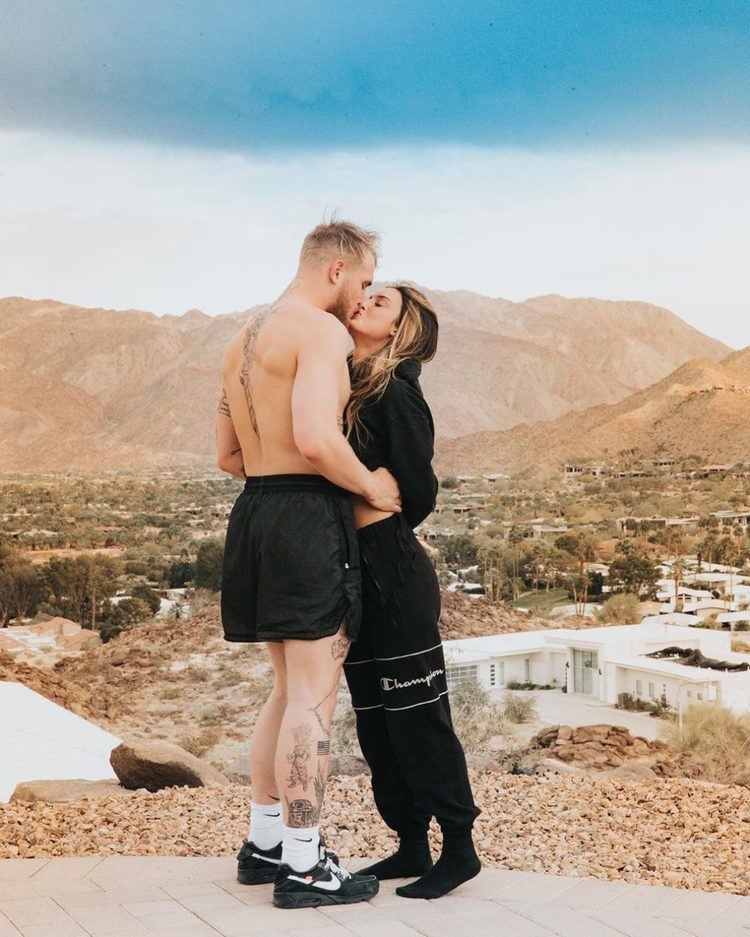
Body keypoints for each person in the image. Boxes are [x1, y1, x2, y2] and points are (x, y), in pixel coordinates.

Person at [215, 219, 402, 909]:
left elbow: (227, 457)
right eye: (364, 278)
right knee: (314, 696)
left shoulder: (242, 338)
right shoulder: (319, 332)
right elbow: (318, 438)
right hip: (305, 519)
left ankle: (266, 843)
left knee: (285, 689)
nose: (363, 294)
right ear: (336, 269)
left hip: (256, 513)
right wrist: (372, 486)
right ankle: (304, 863)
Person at [342, 283, 482, 899]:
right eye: (366, 295)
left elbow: (419, 487)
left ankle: (459, 848)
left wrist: (383, 505)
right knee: (375, 718)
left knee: (420, 716)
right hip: (351, 571)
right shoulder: (348, 381)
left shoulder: (396, 391)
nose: (365, 303)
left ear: (402, 332)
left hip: (394, 573)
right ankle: (408, 843)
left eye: (381, 304)